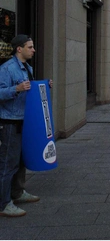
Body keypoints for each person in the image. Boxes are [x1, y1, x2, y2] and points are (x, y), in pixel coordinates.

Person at [0, 34, 53, 217]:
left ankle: (17, 192)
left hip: (25, 121)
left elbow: (30, 91)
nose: (33, 50)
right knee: (8, 163)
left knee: (21, 161)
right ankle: (3, 204)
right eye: (30, 47)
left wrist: (45, 86)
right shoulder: (7, 69)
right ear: (19, 49)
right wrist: (16, 89)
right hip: (11, 122)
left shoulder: (27, 68)